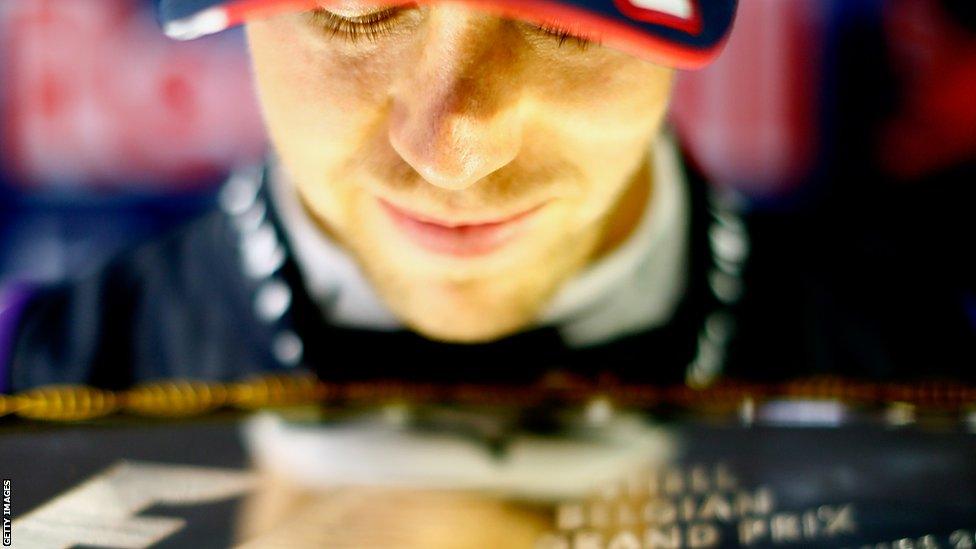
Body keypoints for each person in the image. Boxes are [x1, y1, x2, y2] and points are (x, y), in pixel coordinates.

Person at [0, 0, 972, 397]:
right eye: (357, 11)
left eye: (564, 23)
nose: (453, 151)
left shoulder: (941, 386)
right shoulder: (30, 391)